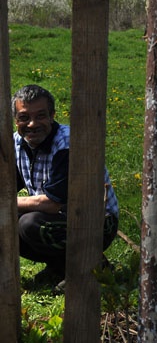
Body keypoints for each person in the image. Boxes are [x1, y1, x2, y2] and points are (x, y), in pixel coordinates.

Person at [13, 84, 119, 291]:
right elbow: (8, 186)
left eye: (40, 116)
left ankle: (92, 266)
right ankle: (60, 266)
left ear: (52, 116)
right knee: (9, 223)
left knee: (30, 224)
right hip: (60, 220)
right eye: (24, 117)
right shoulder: (17, 142)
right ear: (16, 120)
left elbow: (52, 204)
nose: (32, 124)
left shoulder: (68, 145)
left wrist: (9, 203)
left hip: (96, 224)